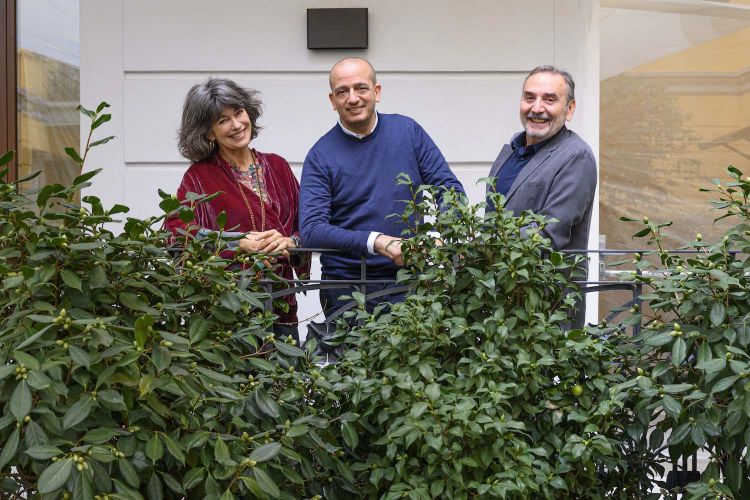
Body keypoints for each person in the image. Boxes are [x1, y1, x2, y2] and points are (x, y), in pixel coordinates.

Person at [300, 57, 464, 318]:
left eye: (361, 88)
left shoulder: (408, 132)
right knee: (352, 360)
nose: (353, 98)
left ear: (377, 92)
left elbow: (448, 187)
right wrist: (377, 241)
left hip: (409, 279)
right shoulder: (320, 156)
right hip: (347, 288)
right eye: (342, 92)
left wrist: (439, 235)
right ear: (332, 101)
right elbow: (311, 230)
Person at [166, 78, 308, 341]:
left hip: (282, 305)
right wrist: (238, 244)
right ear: (209, 132)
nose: (236, 125)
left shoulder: (278, 166)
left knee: (288, 377)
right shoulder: (199, 177)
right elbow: (176, 233)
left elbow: (307, 225)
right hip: (230, 310)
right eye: (222, 121)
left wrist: (290, 243)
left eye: (239, 113)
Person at [487, 65, 597, 326]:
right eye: (529, 97)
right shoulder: (511, 151)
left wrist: (481, 250)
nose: (537, 108)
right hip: (501, 303)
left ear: (569, 109)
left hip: (547, 308)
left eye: (550, 99)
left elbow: (548, 233)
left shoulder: (576, 155)